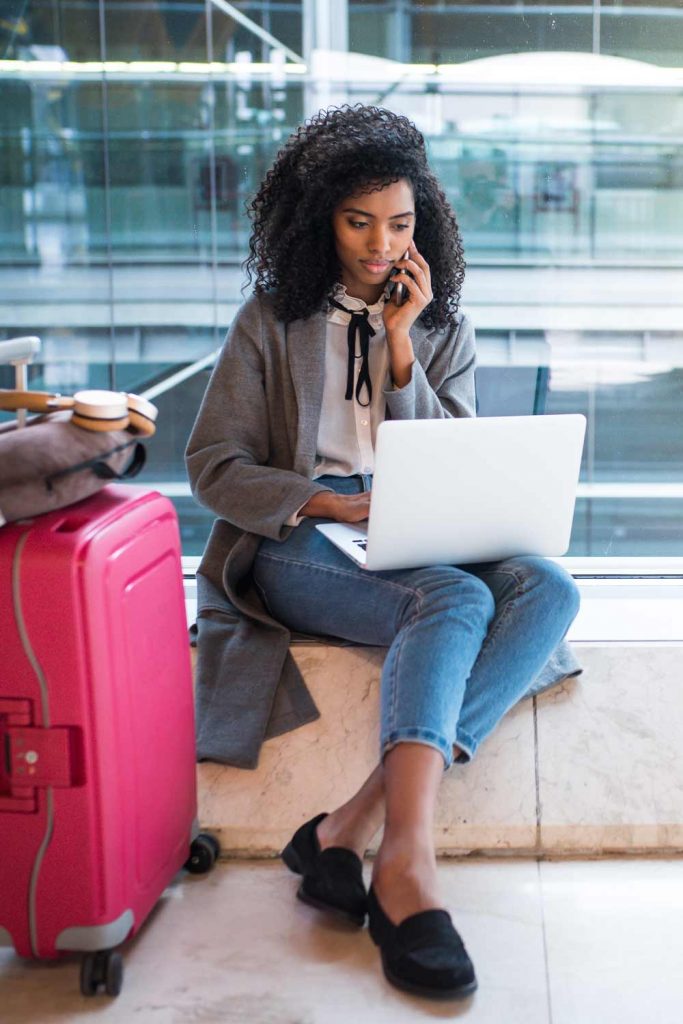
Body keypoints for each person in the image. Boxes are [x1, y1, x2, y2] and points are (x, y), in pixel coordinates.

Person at [186, 104, 582, 1001]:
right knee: (453, 599)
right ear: (319, 219)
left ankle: (350, 823)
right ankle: (404, 861)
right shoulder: (270, 321)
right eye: (357, 221)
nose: (377, 244)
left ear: (422, 223)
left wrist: (403, 348)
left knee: (548, 590)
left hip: (414, 534)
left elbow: (458, 455)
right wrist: (320, 497)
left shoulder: (440, 325)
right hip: (298, 544)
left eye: (397, 223)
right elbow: (212, 464)